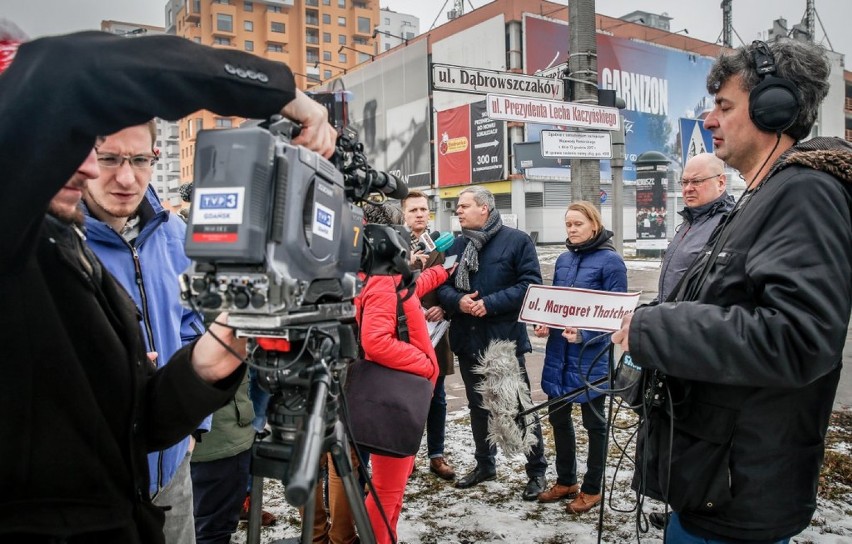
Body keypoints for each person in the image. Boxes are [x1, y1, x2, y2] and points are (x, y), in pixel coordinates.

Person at [0, 28, 336, 543]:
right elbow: (68, 68)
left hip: (148, 502)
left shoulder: (60, 249)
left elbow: (129, 422)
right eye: (83, 144)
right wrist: (287, 96)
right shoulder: (17, 240)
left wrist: (215, 356)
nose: (96, 168)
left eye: (137, 159)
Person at [612, 38, 852, 543]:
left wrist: (659, 327)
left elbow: (799, 338)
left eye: (724, 106)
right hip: (711, 481)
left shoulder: (805, 193)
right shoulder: (763, 195)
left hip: (738, 495)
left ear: (774, 108)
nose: (709, 119)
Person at [81, 121, 208, 544]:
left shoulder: (174, 233)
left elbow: (194, 326)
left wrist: (192, 425)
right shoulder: (54, 238)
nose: (126, 176)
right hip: (95, 485)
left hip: (171, 469)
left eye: (138, 160)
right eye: (109, 159)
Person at [437, 186, 548, 500]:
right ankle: (485, 464)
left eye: (464, 206)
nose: (457, 211)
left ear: (484, 208)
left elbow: (530, 285)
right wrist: (458, 302)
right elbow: (442, 286)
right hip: (467, 339)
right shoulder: (457, 245)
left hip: (503, 343)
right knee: (478, 408)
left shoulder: (516, 241)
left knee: (518, 408)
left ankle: (536, 471)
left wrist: (490, 303)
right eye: (457, 207)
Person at [355, 201, 450, 544]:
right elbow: (376, 342)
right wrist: (424, 364)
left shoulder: (383, 277)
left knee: (393, 483)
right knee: (387, 489)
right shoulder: (381, 281)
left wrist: (441, 273)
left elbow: (406, 292)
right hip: (397, 394)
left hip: (402, 392)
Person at [533, 201, 627, 514]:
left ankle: (592, 488)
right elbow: (559, 304)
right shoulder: (562, 260)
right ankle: (566, 480)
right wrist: (545, 320)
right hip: (559, 355)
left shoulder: (611, 262)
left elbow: (617, 316)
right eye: (568, 225)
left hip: (591, 357)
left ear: (594, 225)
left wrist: (586, 335)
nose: (572, 230)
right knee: (559, 418)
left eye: (578, 224)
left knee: (594, 424)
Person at [402, 190, 456, 481]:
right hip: (402, 333)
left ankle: (436, 454)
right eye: (413, 210)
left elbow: (456, 282)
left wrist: (444, 309)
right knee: (405, 398)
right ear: (403, 214)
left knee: (437, 397)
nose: (420, 214)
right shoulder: (395, 246)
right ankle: (406, 455)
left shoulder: (443, 246)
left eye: (423, 209)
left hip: (436, 334)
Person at [655, 152, 735, 304]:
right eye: (684, 182)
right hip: (671, 321)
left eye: (696, 181)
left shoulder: (730, 223)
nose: (688, 189)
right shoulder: (691, 220)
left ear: (721, 182)